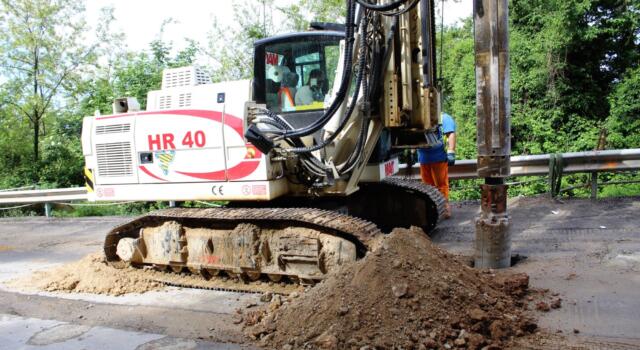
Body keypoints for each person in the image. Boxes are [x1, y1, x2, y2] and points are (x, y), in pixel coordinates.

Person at [417, 112, 456, 219]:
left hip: (438, 158)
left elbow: (450, 134)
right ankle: (432, 210)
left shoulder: (443, 118)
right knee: (427, 187)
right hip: (424, 159)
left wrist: (451, 151)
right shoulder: (418, 117)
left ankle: (445, 209)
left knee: (441, 185)